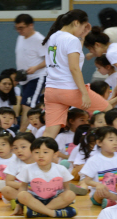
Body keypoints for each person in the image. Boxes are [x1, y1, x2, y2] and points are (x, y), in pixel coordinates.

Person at [42, 9, 111, 139]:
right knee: (111, 112)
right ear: (76, 23)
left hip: (52, 91)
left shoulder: (53, 37)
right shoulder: (71, 40)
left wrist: (82, 37)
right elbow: (74, 68)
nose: (84, 29)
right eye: (84, 26)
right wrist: (84, 93)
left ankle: (39, 156)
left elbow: (69, 51)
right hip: (69, 90)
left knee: (49, 134)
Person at [81, 126, 117, 209]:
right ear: (99, 142)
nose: (115, 143)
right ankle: (116, 201)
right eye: (111, 140)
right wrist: (98, 185)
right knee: (102, 193)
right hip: (100, 194)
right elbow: (87, 181)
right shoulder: (94, 160)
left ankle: (113, 201)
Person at [14, 14, 47, 132]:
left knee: (28, 106)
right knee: (26, 105)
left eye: (21, 28)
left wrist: (36, 67)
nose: (19, 31)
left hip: (38, 76)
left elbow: (51, 58)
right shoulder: (20, 38)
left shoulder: (39, 39)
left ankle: (22, 133)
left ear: (31, 26)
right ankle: (29, 131)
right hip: (25, 78)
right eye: (17, 28)